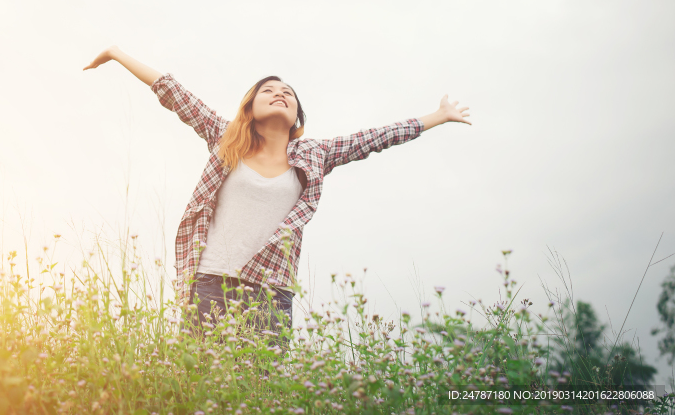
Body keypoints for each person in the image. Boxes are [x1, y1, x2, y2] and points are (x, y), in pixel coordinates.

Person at [83, 45, 471, 340]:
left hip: (272, 295)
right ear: (249, 107)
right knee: (201, 389)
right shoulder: (226, 140)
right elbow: (173, 93)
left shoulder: (315, 155)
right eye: (269, 90)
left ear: (297, 117)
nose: (281, 93)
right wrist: (117, 54)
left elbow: (376, 138)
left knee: (260, 394)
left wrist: (438, 116)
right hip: (211, 284)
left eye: (288, 92)